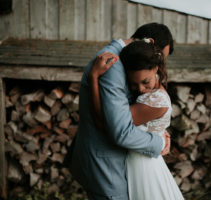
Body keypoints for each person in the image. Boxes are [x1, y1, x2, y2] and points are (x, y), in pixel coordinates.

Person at [69, 23, 174, 200]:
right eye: (160, 57)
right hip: (105, 163)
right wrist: (159, 142)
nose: (160, 64)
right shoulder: (114, 64)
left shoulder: (127, 61)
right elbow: (120, 131)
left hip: (122, 161)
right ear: (151, 43)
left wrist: (158, 127)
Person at [91, 41, 184, 199]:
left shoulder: (155, 101)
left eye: (145, 81)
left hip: (144, 168)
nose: (140, 89)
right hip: (138, 162)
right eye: (134, 84)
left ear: (155, 69)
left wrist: (93, 77)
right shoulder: (151, 94)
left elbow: (104, 123)